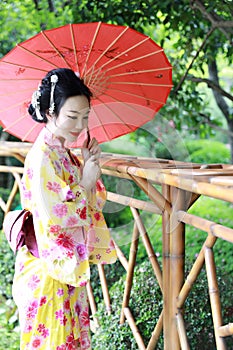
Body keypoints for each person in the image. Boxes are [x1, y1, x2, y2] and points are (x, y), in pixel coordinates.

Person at [12, 68, 117, 349]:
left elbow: (88, 202)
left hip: (64, 267)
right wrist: (84, 181)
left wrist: (86, 165)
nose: (79, 126)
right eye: (72, 117)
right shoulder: (42, 157)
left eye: (85, 117)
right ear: (49, 112)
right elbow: (56, 218)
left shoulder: (62, 152)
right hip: (48, 269)